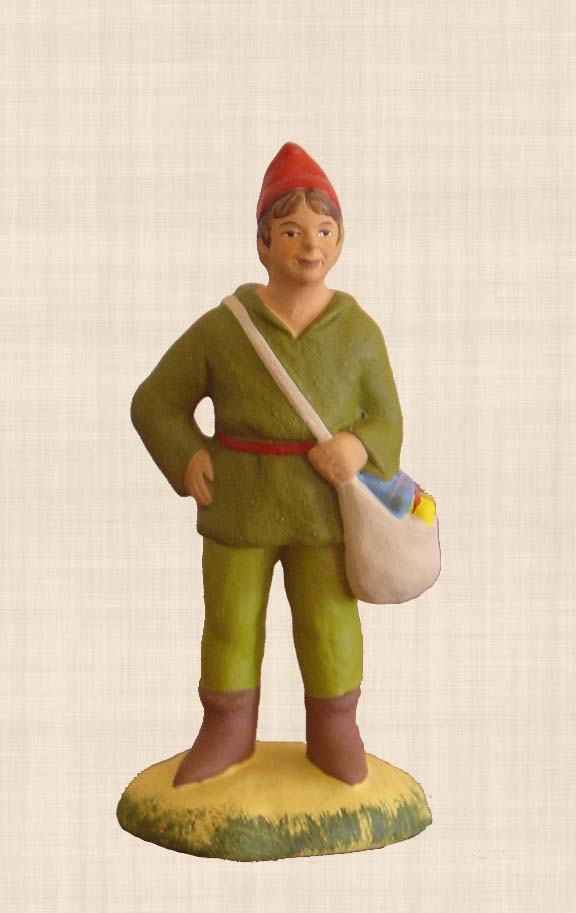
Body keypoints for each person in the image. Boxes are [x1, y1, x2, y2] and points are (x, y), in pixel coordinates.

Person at [131, 142, 403, 786]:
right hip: (239, 505)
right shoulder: (225, 328)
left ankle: (335, 727)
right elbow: (155, 401)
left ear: (341, 241)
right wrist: (187, 456)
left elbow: (388, 419)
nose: (309, 245)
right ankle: (226, 727)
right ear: (262, 243)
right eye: (291, 231)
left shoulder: (358, 332)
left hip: (323, 511)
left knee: (329, 619)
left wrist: (358, 447)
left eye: (324, 231)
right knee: (229, 621)